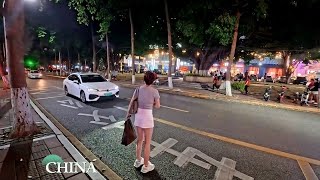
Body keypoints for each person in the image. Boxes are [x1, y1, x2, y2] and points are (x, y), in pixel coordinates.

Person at [127, 71, 161, 173]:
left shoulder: (138, 89)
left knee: (139, 140)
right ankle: (146, 166)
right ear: (153, 80)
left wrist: (127, 114)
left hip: (138, 116)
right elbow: (158, 106)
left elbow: (132, 102)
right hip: (147, 117)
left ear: (144, 79)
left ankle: (138, 160)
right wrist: (153, 102)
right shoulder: (155, 91)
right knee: (147, 143)